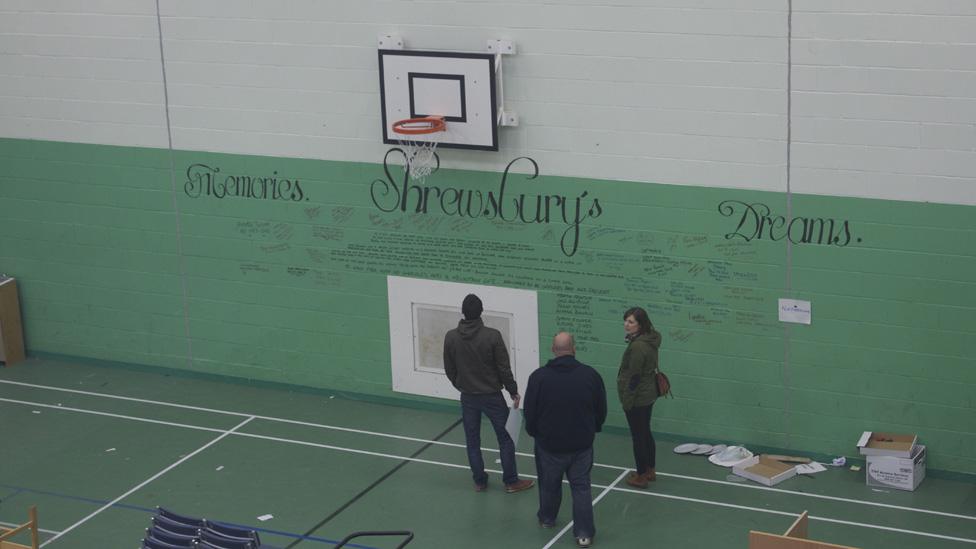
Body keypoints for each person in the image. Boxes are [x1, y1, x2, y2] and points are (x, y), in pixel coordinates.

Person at [443, 294, 534, 494]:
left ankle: (480, 481)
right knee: (505, 438)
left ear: (463, 312)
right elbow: (504, 368)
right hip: (492, 396)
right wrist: (513, 391)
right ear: (481, 311)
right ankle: (511, 481)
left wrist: (461, 385)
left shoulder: (451, 337)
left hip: (468, 397)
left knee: (472, 441)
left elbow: (449, 369)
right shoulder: (492, 336)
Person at [524, 332, 607, 549]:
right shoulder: (591, 376)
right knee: (581, 488)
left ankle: (547, 518)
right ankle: (584, 534)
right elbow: (601, 410)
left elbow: (530, 412)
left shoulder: (539, 377)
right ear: (574, 349)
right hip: (581, 445)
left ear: (553, 349)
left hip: (549, 445)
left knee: (549, 485)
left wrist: (534, 433)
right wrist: (593, 430)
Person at [617, 306, 662, 489]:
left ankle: (641, 475)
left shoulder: (638, 347)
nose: (626, 325)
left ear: (640, 324)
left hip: (638, 398)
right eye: (626, 320)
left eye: (631, 322)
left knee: (638, 437)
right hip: (648, 394)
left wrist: (627, 401)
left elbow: (634, 377)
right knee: (645, 432)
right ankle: (650, 470)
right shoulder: (650, 339)